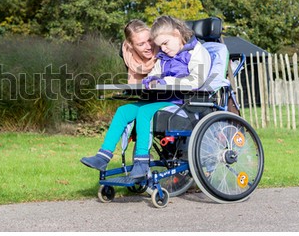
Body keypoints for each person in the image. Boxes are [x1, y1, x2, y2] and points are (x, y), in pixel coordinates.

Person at [81, 16, 211, 178]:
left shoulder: (197, 52)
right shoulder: (165, 57)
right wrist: (151, 80)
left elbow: (196, 81)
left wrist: (165, 81)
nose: (162, 49)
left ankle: (142, 162)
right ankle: (103, 156)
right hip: (161, 100)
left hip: (182, 104)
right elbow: (155, 73)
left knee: (144, 112)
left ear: (177, 34)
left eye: (165, 43)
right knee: (124, 111)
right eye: (160, 45)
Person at [121, 19, 158, 83]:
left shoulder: (163, 47)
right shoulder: (126, 54)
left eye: (150, 40)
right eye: (141, 44)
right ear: (130, 45)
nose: (149, 47)